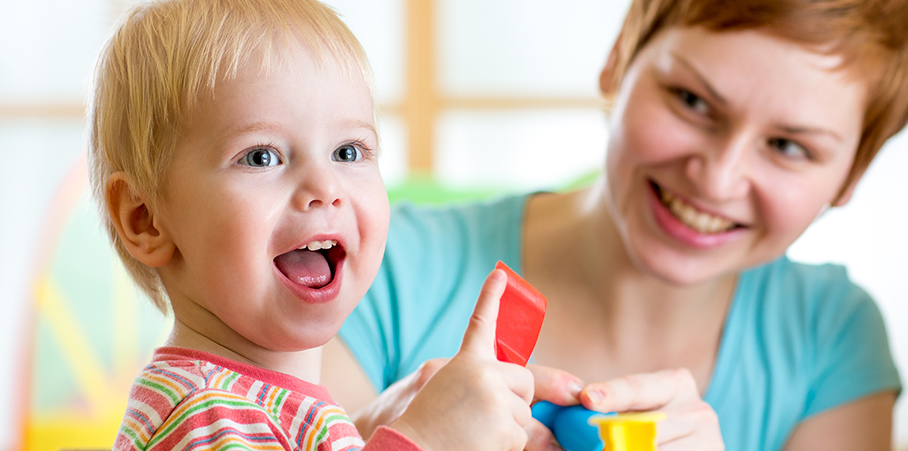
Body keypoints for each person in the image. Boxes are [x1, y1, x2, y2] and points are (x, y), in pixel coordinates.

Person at [324, 0, 908, 449]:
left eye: (788, 146)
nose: (718, 179)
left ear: (853, 173)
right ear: (619, 58)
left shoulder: (831, 337)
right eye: (692, 102)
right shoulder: (379, 264)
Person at [93, 1, 563, 449]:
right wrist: (427, 441)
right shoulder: (206, 417)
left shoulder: (269, 408)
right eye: (262, 157)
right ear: (146, 219)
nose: (325, 186)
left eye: (348, 152)